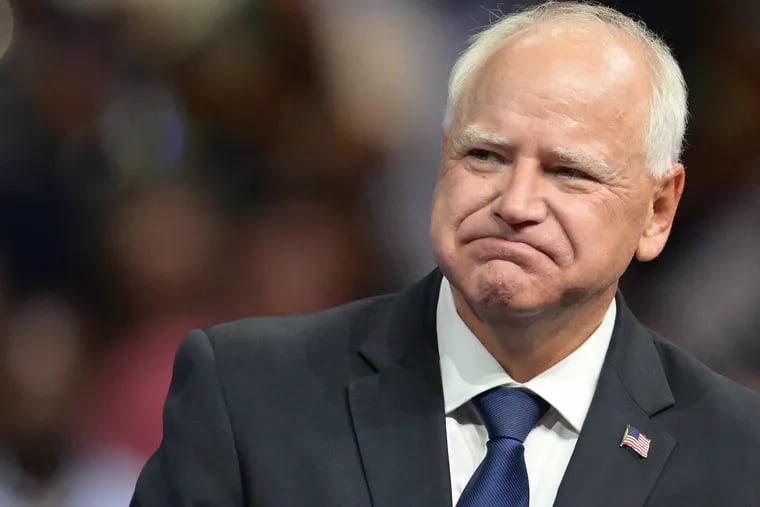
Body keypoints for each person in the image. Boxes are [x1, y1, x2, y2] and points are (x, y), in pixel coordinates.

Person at [131, 2, 760, 506]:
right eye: (484, 155)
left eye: (569, 172)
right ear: (441, 159)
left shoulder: (740, 454)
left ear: (657, 210)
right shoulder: (248, 394)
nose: (515, 203)